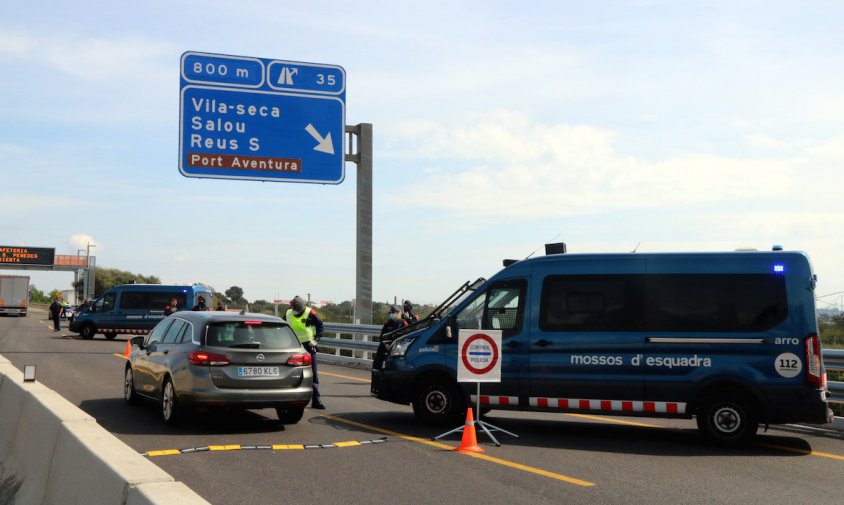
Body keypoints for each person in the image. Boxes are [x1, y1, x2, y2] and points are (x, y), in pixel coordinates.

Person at [283, 295, 325, 409]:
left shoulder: (310, 312)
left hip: (308, 347)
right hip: (292, 347)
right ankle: (288, 398)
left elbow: (320, 327)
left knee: (313, 374)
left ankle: (316, 400)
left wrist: (316, 341)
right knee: (291, 373)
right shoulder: (287, 314)